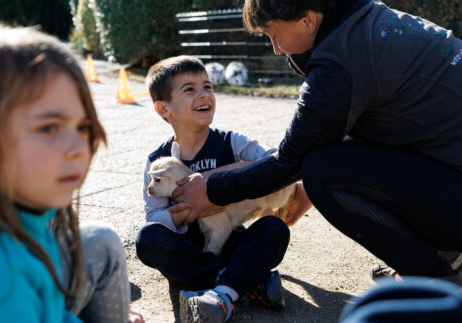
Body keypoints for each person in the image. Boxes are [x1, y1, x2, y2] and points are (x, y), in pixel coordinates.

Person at [170, 0, 462, 293]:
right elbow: (361, 126)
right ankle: (447, 255)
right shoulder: (364, 18)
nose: (277, 49)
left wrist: (212, 190)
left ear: (307, 21)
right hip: (448, 167)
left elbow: (289, 161)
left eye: (273, 35)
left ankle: (437, 279)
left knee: (320, 172)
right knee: (325, 164)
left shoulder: (340, 62)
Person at [0, 20, 142, 323]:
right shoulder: (1, 279)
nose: (78, 146)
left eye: (82, 127)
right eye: (49, 127)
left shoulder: (27, 217)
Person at [134, 55, 311, 323]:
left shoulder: (230, 141)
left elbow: (275, 159)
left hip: (231, 239)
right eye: (190, 89)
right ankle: (240, 282)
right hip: (188, 250)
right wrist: (183, 213)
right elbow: (154, 216)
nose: (204, 94)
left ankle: (222, 287)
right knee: (147, 238)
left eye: (208, 86)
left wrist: (210, 179)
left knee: (274, 230)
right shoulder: (157, 159)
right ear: (163, 109)